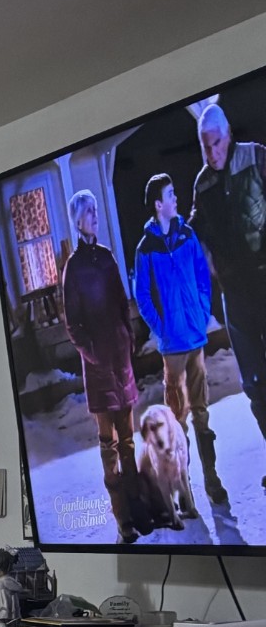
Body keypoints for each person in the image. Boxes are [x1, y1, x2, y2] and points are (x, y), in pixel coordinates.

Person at [133, 172, 225, 506]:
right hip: (172, 346)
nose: (176, 198)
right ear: (159, 205)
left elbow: (202, 274)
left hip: (195, 338)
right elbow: (142, 295)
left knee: (202, 412)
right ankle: (184, 490)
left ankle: (212, 479)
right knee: (177, 420)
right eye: (170, 194)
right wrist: (161, 328)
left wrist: (202, 311)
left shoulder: (187, 235)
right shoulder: (146, 248)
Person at [59, 189, 142, 540]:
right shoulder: (74, 267)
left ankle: (137, 506)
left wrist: (127, 336)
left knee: (129, 441)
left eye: (96, 210)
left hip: (120, 360)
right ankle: (122, 515)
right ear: (78, 220)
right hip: (98, 368)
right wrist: (94, 354)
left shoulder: (107, 257)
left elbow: (122, 301)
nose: (95, 216)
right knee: (109, 445)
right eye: (89, 211)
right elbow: (72, 324)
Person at [191, 101, 266, 484]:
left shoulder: (256, 158)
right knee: (254, 382)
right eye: (205, 146)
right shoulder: (203, 184)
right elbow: (195, 231)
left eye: (216, 143)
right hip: (236, 295)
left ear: (228, 136)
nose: (212, 152)